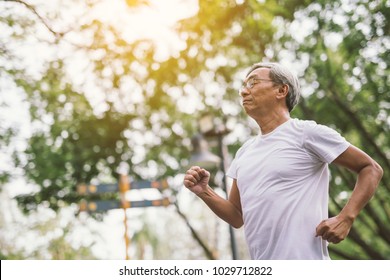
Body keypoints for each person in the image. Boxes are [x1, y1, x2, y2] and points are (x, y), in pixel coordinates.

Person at [183, 62, 383, 260]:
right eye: (243, 86)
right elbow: (236, 216)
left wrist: (345, 218)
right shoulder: (244, 152)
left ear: (281, 90)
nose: (244, 92)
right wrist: (205, 192)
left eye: (252, 83)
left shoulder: (306, 133)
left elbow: (371, 168)